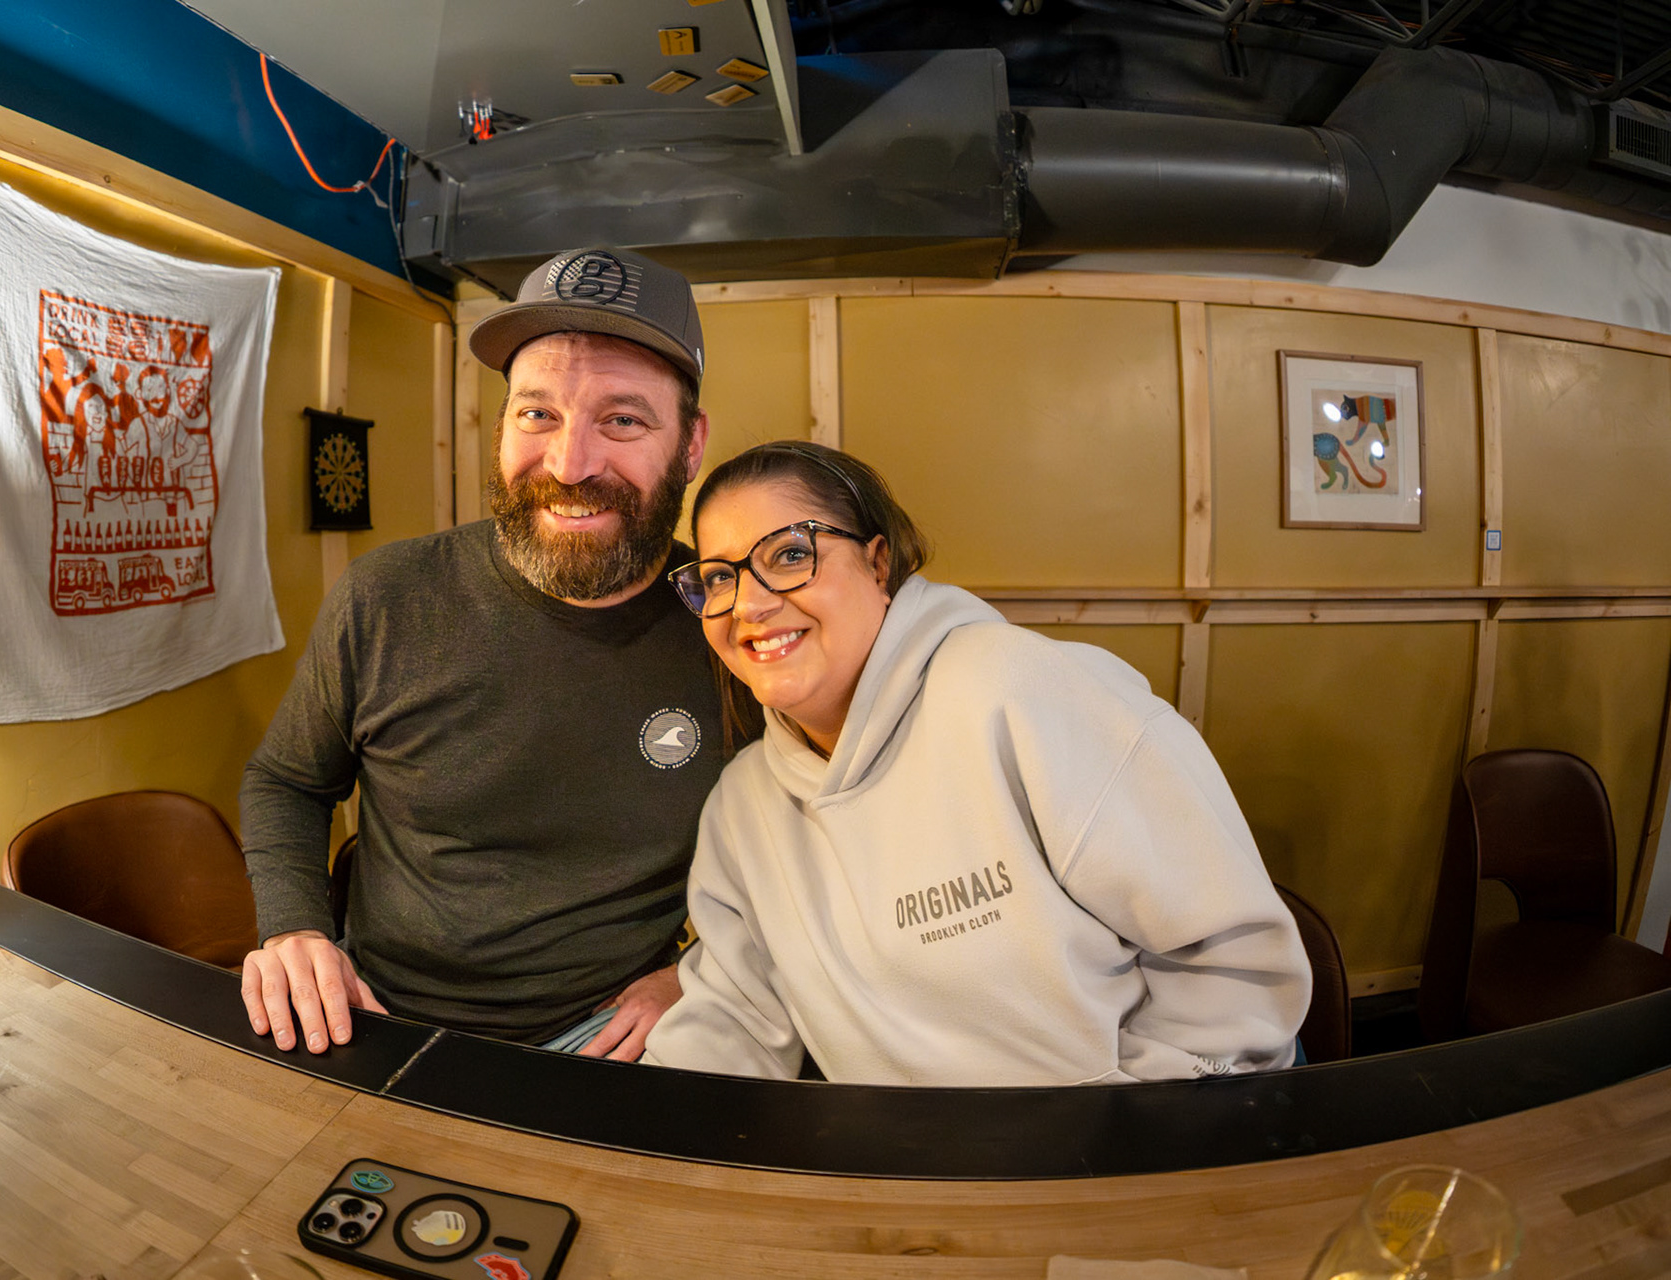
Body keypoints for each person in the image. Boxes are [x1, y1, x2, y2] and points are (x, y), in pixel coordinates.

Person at [641, 442, 1310, 1086]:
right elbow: (736, 1018)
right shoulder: (744, 807)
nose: (749, 604)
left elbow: (1234, 968)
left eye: (791, 554)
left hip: (1140, 1136)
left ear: (878, 564)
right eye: (720, 577)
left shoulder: (1025, 695)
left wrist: (1124, 1131)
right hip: (912, 1159)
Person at [240, 247, 723, 1061]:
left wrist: (706, 968)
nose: (570, 464)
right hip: (371, 1015)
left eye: (623, 420)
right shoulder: (384, 596)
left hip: (618, 1040)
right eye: (538, 414)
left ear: (691, 444)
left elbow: (806, 836)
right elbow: (287, 781)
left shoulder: (733, 622)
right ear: (501, 427)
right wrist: (294, 929)